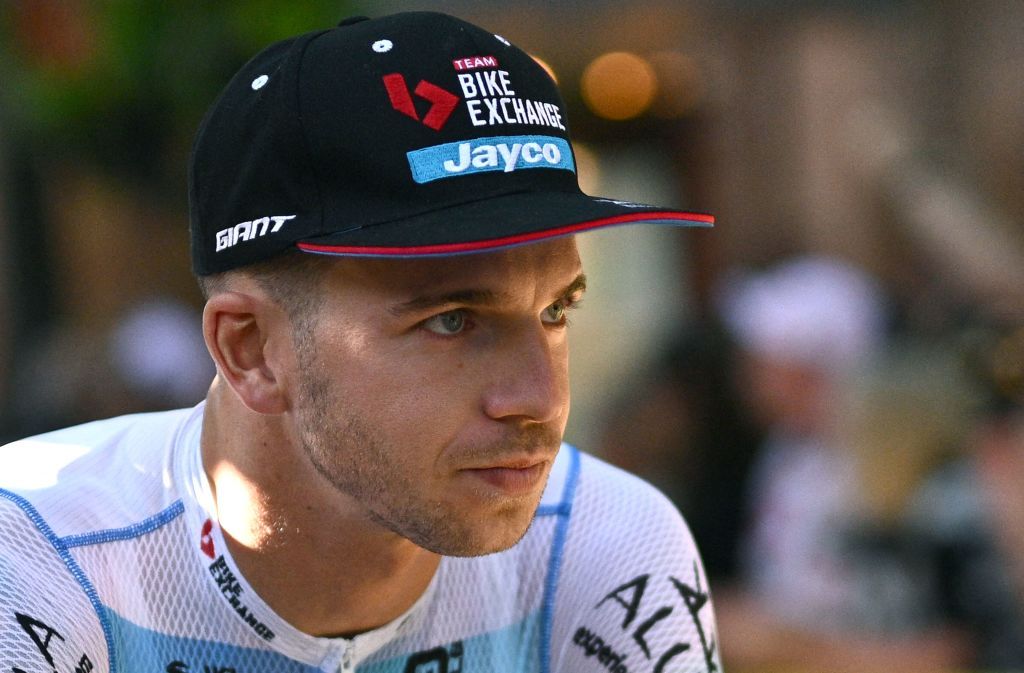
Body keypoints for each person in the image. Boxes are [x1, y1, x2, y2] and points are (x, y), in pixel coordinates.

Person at [0, 12, 720, 673]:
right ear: (250, 349)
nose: (540, 398)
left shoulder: (600, 549)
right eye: (452, 320)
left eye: (557, 311)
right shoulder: (37, 554)